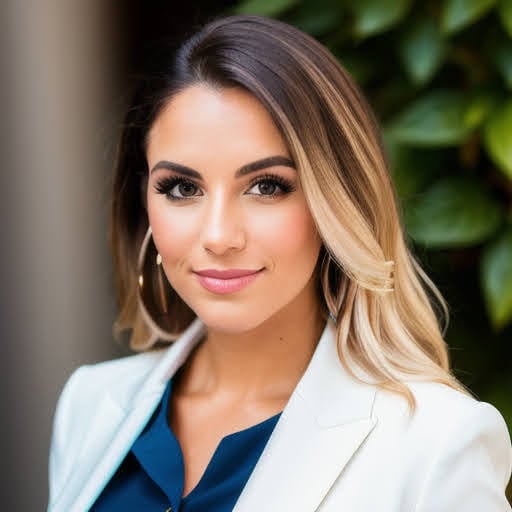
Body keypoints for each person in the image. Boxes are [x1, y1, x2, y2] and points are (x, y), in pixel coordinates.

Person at [47, 14, 512, 512]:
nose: (220, 236)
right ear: (144, 203)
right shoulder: (90, 403)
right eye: (182, 188)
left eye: (267, 186)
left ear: (337, 203)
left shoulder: (437, 444)